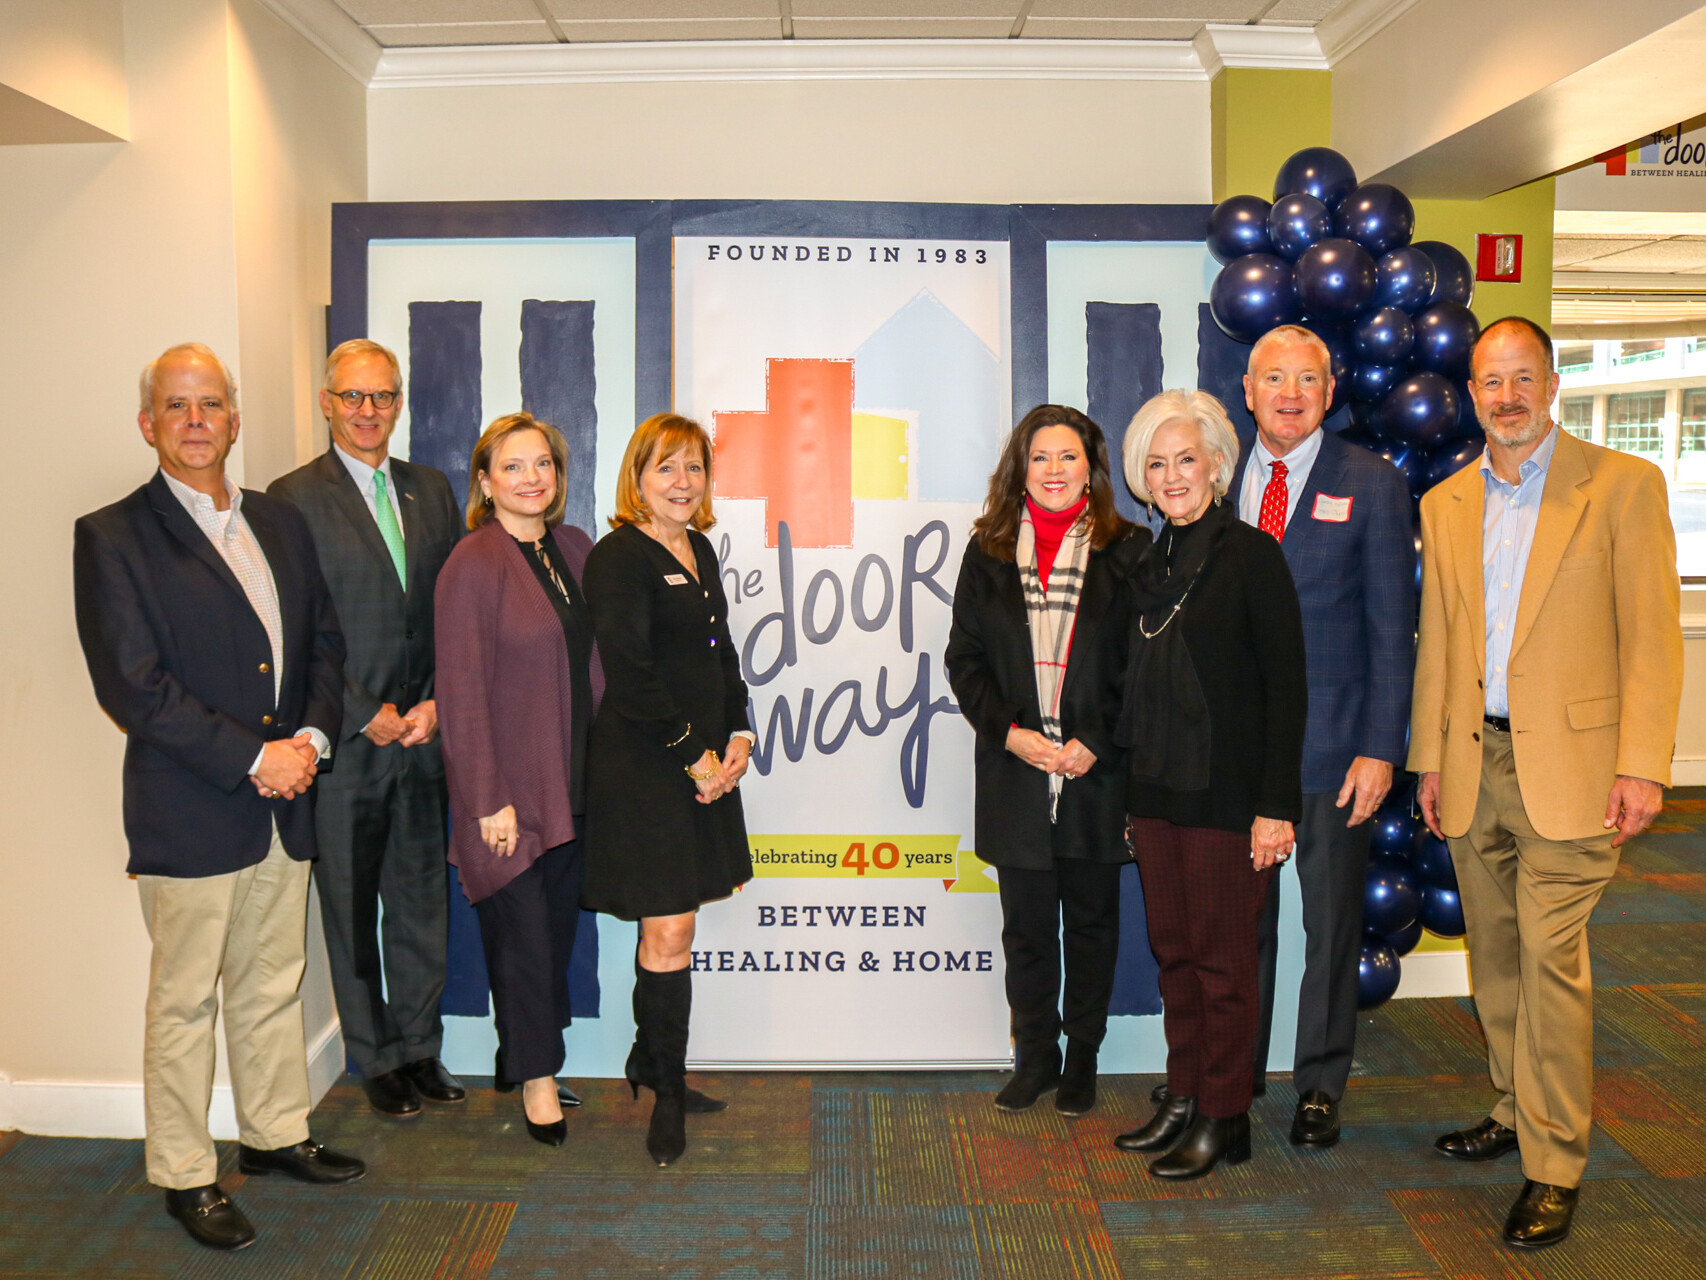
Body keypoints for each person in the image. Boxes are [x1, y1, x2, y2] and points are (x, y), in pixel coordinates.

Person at [73, 343, 364, 1252]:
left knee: (274, 983)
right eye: (177, 405)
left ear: (235, 420)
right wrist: (254, 759)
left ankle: (275, 1135)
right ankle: (185, 1174)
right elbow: (134, 687)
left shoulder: (279, 520)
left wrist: (310, 742)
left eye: (210, 405)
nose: (195, 421)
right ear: (148, 423)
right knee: (184, 1002)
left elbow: (323, 645)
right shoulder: (113, 535)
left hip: (286, 801)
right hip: (193, 806)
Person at [1411, 316, 1683, 1248]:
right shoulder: (1446, 501)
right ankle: (1514, 1104)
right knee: (1494, 956)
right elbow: (1441, 645)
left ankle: (1555, 1159)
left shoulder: (1623, 486)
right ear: (1472, 394)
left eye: (1524, 378)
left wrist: (1643, 763)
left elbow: (1652, 636)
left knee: (1552, 961)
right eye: (1492, 382)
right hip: (1472, 764)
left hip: (1575, 771)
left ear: (1553, 385)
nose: (1508, 397)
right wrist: (1429, 759)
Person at [1110, 389, 1307, 1180]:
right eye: (1156, 464)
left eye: (1185, 459)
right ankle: (1187, 1094)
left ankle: (1226, 1118)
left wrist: (1275, 809)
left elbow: (1286, 691)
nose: (1172, 476)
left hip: (1229, 802)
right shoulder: (1147, 562)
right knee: (1176, 955)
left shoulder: (1252, 556)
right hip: (1156, 796)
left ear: (1217, 466)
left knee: (1224, 966)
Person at [268, 339, 465, 1119]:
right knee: (350, 911)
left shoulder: (432, 489)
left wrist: (439, 701)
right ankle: (376, 1057)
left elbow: (452, 609)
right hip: (347, 744)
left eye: (382, 396)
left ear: (399, 402)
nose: (368, 411)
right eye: (352, 396)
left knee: (421, 903)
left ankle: (420, 1048)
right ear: (327, 403)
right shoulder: (290, 498)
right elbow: (293, 627)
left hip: (423, 737)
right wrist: (361, 712)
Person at [1234, 325, 1416, 1145]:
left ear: (1330, 392)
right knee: (1240, 928)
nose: (1290, 394)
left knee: (1331, 928)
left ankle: (1319, 1086)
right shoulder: (1214, 474)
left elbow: (1392, 627)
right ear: (1248, 391)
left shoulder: (1371, 482)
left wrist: (1381, 749)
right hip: (1236, 755)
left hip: (1337, 751)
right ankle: (1234, 1076)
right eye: (1273, 378)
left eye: (1307, 379)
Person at [945, 405, 1147, 1117]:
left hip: (1098, 774)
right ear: (1020, 470)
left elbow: (1142, 665)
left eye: (1068, 456)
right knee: (1026, 933)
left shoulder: (1132, 550)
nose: (1054, 470)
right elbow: (964, 659)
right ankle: (1035, 1056)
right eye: (1040, 457)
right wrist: (1010, 734)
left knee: (1092, 928)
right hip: (1017, 774)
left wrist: (1097, 738)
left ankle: (1083, 1057)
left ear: (1091, 469)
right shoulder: (988, 551)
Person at [582, 413, 754, 1168]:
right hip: (647, 770)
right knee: (670, 931)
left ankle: (651, 1061)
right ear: (638, 478)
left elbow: (721, 656)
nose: (683, 482)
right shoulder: (618, 558)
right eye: (666, 467)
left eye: (694, 467)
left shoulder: (699, 548)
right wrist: (695, 758)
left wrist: (739, 733)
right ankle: (669, 1092)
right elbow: (631, 676)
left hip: (705, 763)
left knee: (673, 926)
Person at [434, 412, 604, 1147]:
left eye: (543, 464)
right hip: (506, 797)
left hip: (572, 787)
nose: (531, 478)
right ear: (484, 481)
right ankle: (536, 1078)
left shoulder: (576, 548)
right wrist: (486, 800)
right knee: (524, 941)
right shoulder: (473, 562)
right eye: (513, 466)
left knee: (555, 934)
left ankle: (529, 1057)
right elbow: (461, 691)